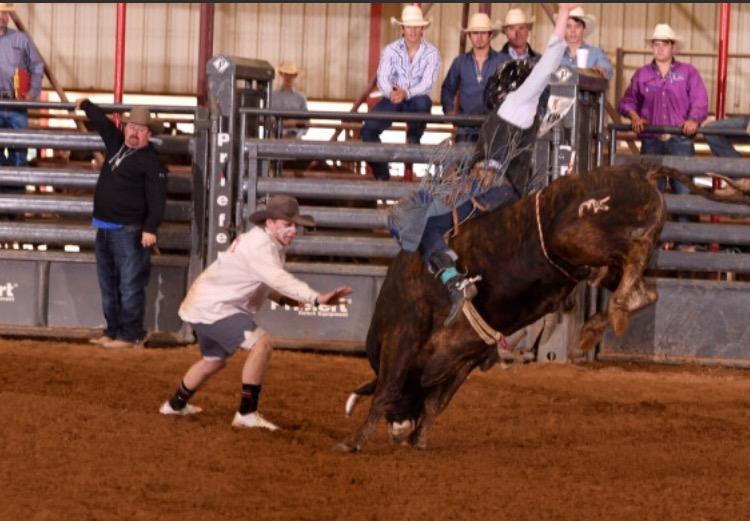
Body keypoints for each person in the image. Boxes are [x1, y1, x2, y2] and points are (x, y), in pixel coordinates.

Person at [388, 4, 581, 326]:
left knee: (412, 220)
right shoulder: (521, 116)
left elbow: (547, 63)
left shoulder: (518, 104)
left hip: (492, 188)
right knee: (425, 223)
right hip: (498, 186)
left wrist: (562, 15)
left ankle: (454, 281)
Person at [159, 195, 352, 431]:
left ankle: (174, 404)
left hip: (206, 304)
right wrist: (316, 298)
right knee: (262, 344)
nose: (293, 230)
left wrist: (284, 299)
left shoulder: (266, 242)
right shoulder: (260, 246)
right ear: (270, 223)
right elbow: (277, 279)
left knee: (214, 360)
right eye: (287, 225)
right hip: (215, 307)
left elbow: (262, 280)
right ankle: (246, 413)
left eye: (295, 226)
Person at [77, 98, 168, 349]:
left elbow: (157, 198)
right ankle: (113, 330)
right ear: (125, 128)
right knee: (109, 284)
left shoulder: (151, 162)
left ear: (148, 134)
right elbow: (103, 124)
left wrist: (150, 228)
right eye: (131, 128)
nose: (134, 133)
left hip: (129, 230)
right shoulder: (116, 143)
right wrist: (86, 105)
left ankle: (130, 334)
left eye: (140, 130)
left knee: (129, 285)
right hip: (105, 228)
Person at [618, 23, 708, 198]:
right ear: (652, 47)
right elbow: (628, 100)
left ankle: (684, 224)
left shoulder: (688, 73)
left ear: (673, 47)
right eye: (656, 44)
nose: (659, 49)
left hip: (680, 138)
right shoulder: (641, 75)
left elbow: (700, 100)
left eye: (664, 44)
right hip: (652, 140)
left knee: (683, 191)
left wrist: (694, 119)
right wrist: (634, 116)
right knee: (651, 193)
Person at [360, 5, 440, 181]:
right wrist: (391, 93)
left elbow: (427, 84)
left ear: (423, 29)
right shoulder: (390, 50)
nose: (413, 30)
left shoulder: (432, 53)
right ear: (402, 29)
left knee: (422, 103)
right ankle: (382, 172)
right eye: (409, 26)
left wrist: (406, 93)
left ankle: (414, 137)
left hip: (415, 98)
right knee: (367, 130)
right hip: (394, 97)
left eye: (417, 26)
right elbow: (382, 78)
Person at [440, 12, 510, 143]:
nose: (479, 37)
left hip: (495, 127)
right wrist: (449, 111)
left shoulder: (503, 61)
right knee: (465, 162)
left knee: (494, 163)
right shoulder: (460, 62)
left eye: (483, 33)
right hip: (465, 127)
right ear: (469, 36)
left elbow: (514, 90)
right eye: (475, 33)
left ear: (490, 35)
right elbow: (447, 89)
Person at [0, 3, 43, 171]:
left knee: (18, 150)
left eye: (5, 13)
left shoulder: (21, 39)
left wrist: (32, 93)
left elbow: (37, 66)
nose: (2, 17)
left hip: (15, 104)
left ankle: (16, 191)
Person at [559, 6, 613, 79]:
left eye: (577, 26)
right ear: (563, 29)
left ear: (584, 29)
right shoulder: (556, 55)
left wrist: (600, 71)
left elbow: (607, 70)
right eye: (568, 26)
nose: (573, 31)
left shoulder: (596, 53)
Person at [270, 60, 308, 139]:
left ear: (295, 76)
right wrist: (279, 123)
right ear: (281, 75)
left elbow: (306, 120)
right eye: (286, 74)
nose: (288, 77)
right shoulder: (272, 96)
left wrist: (296, 127)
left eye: (291, 75)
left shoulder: (301, 97)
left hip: (295, 137)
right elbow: (267, 117)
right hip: (275, 136)